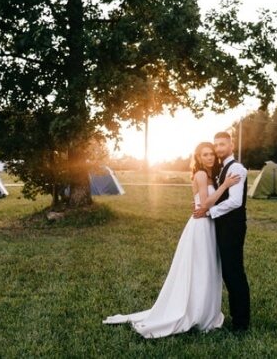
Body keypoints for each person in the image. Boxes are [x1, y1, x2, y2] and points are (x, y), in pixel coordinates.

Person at [103, 141, 240, 338]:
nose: (210, 157)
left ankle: (204, 310)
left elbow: (204, 202)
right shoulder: (202, 174)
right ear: (199, 158)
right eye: (205, 155)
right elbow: (207, 203)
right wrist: (225, 186)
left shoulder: (211, 175)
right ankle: (196, 313)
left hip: (208, 224)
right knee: (201, 268)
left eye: (211, 154)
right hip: (201, 225)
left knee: (208, 268)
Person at [193, 131, 250, 332]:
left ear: (231, 145)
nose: (218, 149)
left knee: (234, 272)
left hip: (232, 226)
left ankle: (241, 323)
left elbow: (235, 201)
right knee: (226, 271)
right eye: (216, 145)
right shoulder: (219, 168)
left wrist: (209, 212)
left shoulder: (236, 168)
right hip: (221, 225)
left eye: (222, 144)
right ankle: (232, 316)